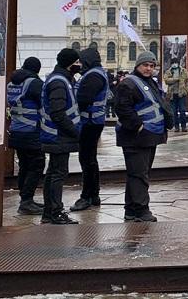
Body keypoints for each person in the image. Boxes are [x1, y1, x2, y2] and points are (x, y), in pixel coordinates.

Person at [114, 50, 173, 222]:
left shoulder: (150, 83)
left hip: (150, 135)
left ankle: (131, 209)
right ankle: (141, 209)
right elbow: (122, 108)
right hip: (135, 137)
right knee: (139, 174)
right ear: (137, 66)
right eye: (145, 65)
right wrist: (137, 126)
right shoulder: (128, 84)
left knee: (138, 173)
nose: (149, 68)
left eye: (152, 66)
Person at [39, 48, 82, 224]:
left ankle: (49, 212)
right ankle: (55, 212)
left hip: (54, 135)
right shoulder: (59, 82)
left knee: (52, 173)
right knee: (58, 173)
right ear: (69, 63)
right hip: (58, 135)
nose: (79, 65)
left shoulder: (60, 79)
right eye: (77, 62)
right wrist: (75, 132)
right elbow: (58, 113)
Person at [70, 47, 110, 212]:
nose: (79, 64)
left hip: (89, 122)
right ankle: (94, 194)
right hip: (94, 121)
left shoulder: (93, 76)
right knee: (90, 159)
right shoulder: (96, 73)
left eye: (81, 61)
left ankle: (87, 196)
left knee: (86, 160)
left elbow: (83, 99)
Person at [7, 57, 45, 215]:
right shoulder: (34, 83)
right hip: (31, 131)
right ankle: (26, 201)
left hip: (16, 130)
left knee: (24, 165)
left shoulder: (12, 83)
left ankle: (25, 198)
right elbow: (44, 102)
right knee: (36, 165)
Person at [163, 57, 188, 133]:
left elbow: (187, 80)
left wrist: (186, 90)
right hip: (172, 94)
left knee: (182, 111)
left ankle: (184, 126)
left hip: (181, 94)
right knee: (174, 112)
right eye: (173, 63)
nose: (174, 64)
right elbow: (166, 80)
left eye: (176, 63)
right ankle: (176, 127)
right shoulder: (169, 71)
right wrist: (175, 79)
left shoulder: (183, 71)